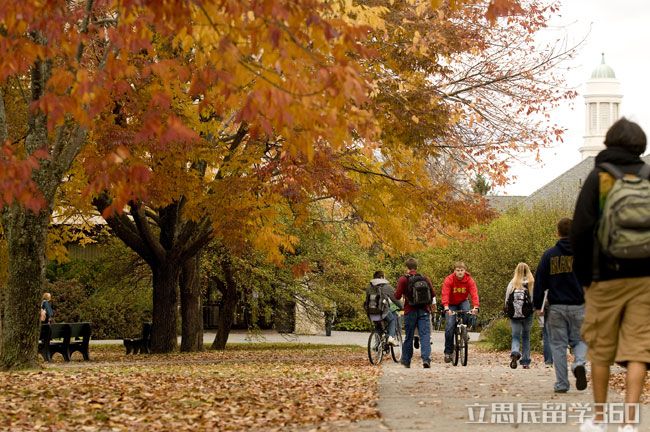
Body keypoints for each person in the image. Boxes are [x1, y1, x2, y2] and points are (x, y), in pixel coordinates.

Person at [571, 118, 650, 432]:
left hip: (604, 276)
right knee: (639, 348)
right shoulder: (649, 177)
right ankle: (630, 423)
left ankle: (600, 419)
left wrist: (585, 276)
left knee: (601, 348)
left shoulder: (599, 177)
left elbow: (580, 230)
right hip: (645, 278)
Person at [533, 218, 587, 394]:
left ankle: (562, 384)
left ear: (558, 232)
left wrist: (537, 305)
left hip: (556, 307)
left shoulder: (549, 255)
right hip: (579, 305)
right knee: (580, 340)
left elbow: (540, 281)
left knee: (558, 346)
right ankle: (579, 362)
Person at [395, 257, 435, 368]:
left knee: (409, 336)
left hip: (410, 311)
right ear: (416, 267)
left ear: (406, 268)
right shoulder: (425, 278)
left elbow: (397, 295)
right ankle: (426, 359)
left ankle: (406, 361)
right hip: (424, 310)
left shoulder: (403, 279)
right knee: (425, 336)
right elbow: (433, 293)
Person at [441, 261, 479, 363]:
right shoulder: (449, 280)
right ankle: (448, 352)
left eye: (462, 270)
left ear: (465, 271)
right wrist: (446, 307)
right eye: (458, 270)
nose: (460, 272)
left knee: (467, 313)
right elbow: (445, 294)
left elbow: (474, 293)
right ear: (454, 271)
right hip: (451, 304)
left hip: (463, 301)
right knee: (449, 326)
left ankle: (465, 332)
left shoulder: (469, 280)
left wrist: (476, 307)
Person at [504, 262, 535, 369]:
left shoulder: (512, 283)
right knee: (526, 336)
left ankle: (515, 351)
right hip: (528, 314)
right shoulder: (531, 283)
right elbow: (534, 298)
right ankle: (525, 362)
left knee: (516, 336)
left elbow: (507, 299)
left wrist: (508, 311)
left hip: (515, 314)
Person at [365, 271, 402, 345]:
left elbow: (367, 300)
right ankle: (391, 337)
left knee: (378, 327)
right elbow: (395, 299)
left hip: (371, 312)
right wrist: (402, 307)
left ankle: (377, 345)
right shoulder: (387, 287)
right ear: (382, 277)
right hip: (382, 311)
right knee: (392, 320)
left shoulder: (369, 287)